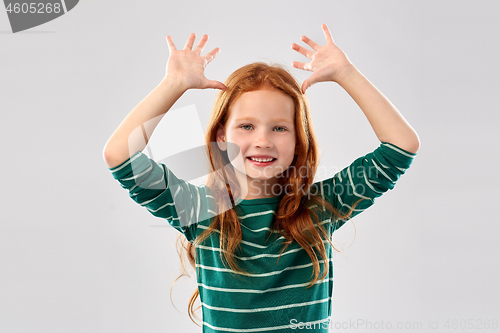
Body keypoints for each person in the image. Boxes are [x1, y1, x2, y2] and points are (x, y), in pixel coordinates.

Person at [103, 24, 420, 333]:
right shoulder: (199, 209)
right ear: (220, 136)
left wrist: (346, 73)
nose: (263, 140)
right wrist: (173, 84)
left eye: (279, 128)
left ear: (299, 141)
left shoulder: (322, 207)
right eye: (247, 126)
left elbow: (401, 145)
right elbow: (120, 155)